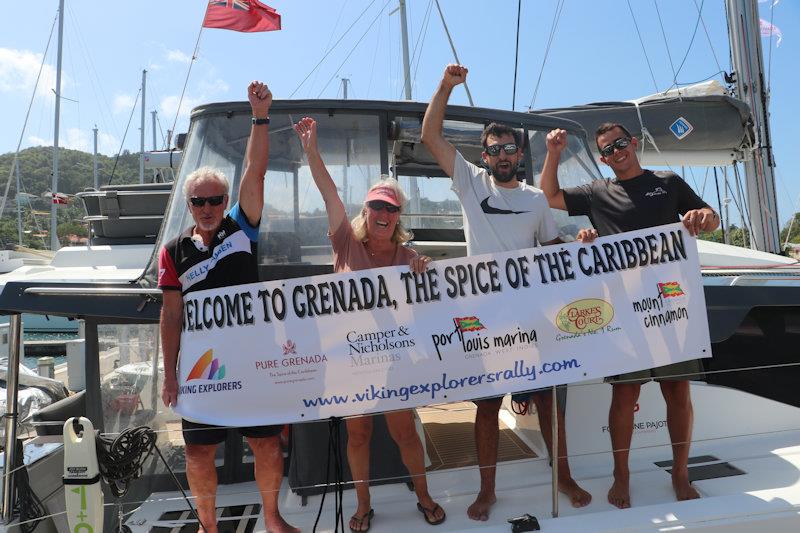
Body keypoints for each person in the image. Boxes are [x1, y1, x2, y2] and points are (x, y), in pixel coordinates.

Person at [420, 64, 592, 521]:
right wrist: (445, 88)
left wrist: (579, 246)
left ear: (519, 154)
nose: (501, 155)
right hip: (484, 317)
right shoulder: (470, 182)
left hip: (531, 316)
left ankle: (564, 475)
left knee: (548, 398)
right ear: (485, 154)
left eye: (508, 148)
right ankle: (487, 489)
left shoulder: (537, 199)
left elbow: (551, 248)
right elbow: (431, 137)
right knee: (486, 405)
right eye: (493, 149)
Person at [539, 123, 720, 509]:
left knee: (677, 391)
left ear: (634, 143)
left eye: (620, 144)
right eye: (607, 150)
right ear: (602, 159)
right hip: (623, 310)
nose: (615, 152)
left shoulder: (668, 182)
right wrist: (554, 153)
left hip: (673, 306)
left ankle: (681, 472)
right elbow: (549, 195)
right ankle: (621, 477)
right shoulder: (597, 192)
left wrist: (704, 217)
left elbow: (710, 216)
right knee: (624, 393)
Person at [293, 116, 446, 532]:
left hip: (395, 359)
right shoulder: (345, 240)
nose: (384, 212)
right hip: (350, 360)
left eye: (392, 208)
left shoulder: (407, 257)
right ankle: (363, 505)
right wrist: (311, 152)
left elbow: (430, 304)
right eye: (377, 205)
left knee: (406, 436)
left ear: (398, 217)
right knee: (357, 437)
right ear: (367, 211)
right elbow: (329, 195)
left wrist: (424, 271)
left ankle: (424, 494)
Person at [158, 82, 298, 533]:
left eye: (215, 199)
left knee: (267, 446)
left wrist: (261, 116)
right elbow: (172, 315)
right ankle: (208, 526)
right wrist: (170, 373)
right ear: (189, 205)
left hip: (253, 360)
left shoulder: (241, 228)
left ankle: (273, 519)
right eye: (198, 201)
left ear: (225, 203)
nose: (207, 207)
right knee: (198, 452)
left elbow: (254, 174)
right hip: (202, 368)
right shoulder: (173, 251)